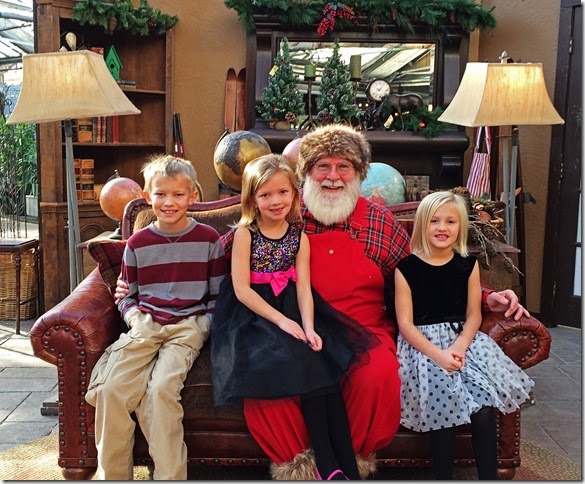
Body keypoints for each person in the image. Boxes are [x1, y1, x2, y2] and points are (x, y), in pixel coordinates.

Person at [115, 124, 530, 480]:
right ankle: (301, 466)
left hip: (363, 329)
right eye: (323, 167)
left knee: (378, 375)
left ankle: (351, 463)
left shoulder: (378, 221)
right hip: (291, 326)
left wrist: (487, 296)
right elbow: (216, 257)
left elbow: (424, 274)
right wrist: (134, 284)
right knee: (268, 379)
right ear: (306, 175)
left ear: (359, 173)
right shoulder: (284, 213)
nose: (333, 176)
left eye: (343, 166)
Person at [212, 154, 377, 480]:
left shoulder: (298, 237)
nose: (276, 201)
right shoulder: (246, 234)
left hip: (293, 308)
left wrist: (309, 327)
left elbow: (303, 288)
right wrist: (284, 322)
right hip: (254, 316)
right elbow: (242, 290)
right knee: (309, 367)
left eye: (283, 192)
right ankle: (328, 465)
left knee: (325, 367)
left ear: (294, 194)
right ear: (252, 200)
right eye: (265, 195)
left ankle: (347, 466)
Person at [85, 154, 226, 480]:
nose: (169, 202)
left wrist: (206, 324)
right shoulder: (137, 243)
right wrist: (134, 318)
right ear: (148, 196)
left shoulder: (208, 240)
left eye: (178, 194)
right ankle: (114, 476)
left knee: (161, 390)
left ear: (192, 196)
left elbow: (218, 296)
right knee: (110, 390)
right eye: (161, 194)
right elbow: (127, 295)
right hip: (145, 324)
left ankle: (169, 476)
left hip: (187, 326)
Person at [394, 191, 534, 480]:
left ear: (460, 227)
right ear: (422, 225)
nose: (442, 228)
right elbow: (405, 324)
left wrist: (459, 345)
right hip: (425, 350)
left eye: (450, 221)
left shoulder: (467, 265)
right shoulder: (406, 269)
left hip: (465, 343)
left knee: (483, 410)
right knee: (443, 412)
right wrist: (439, 355)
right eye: (434, 221)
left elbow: (474, 315)